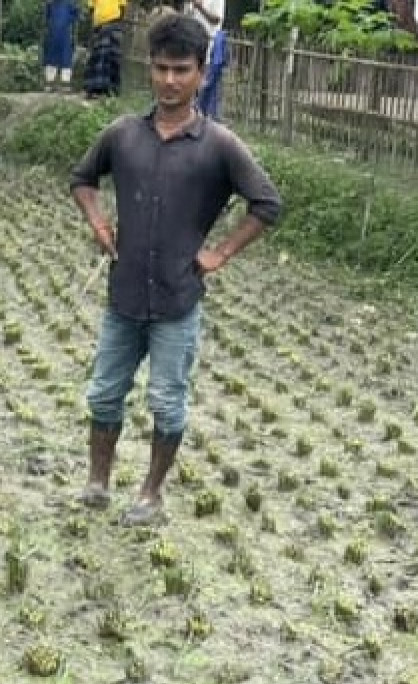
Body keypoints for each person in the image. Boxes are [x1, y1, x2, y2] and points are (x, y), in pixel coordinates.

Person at [69, 12, 282, 526]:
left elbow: (267, 204)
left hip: (177, 300)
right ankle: (97, 482)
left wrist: (219, 254)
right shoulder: (123, 135)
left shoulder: (219, 145)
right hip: (124, 298)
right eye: (162, 68)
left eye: (182, 70)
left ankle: (151, 494)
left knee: (167, 401)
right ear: (150, 69)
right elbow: (82, 178)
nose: (170, 80)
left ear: (201, 74)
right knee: (104, 393)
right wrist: (98, 222)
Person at [81, 0, 126, 99]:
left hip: (113, 22)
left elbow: (122, 6)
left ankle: (110, 89)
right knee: (98, 57)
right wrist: (96, 22)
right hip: (99, 24)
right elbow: (91, 7)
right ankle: (95, 88)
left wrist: (117, 22)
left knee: (111, 56)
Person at [194, 12, 227, 120]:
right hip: (192, 52)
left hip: (209, 54)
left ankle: (209, 119)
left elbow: (216, 19)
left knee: (207, 92)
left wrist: (200, 7)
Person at [42, 0, 80, 91]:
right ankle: (49, 83)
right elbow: (46, 20)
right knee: (51, 58)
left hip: (66, 36)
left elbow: (76, 19)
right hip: (52, 35)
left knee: (66, 58)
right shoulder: (50, 4)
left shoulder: (71, 3)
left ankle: (65, 83)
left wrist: (74, 35)